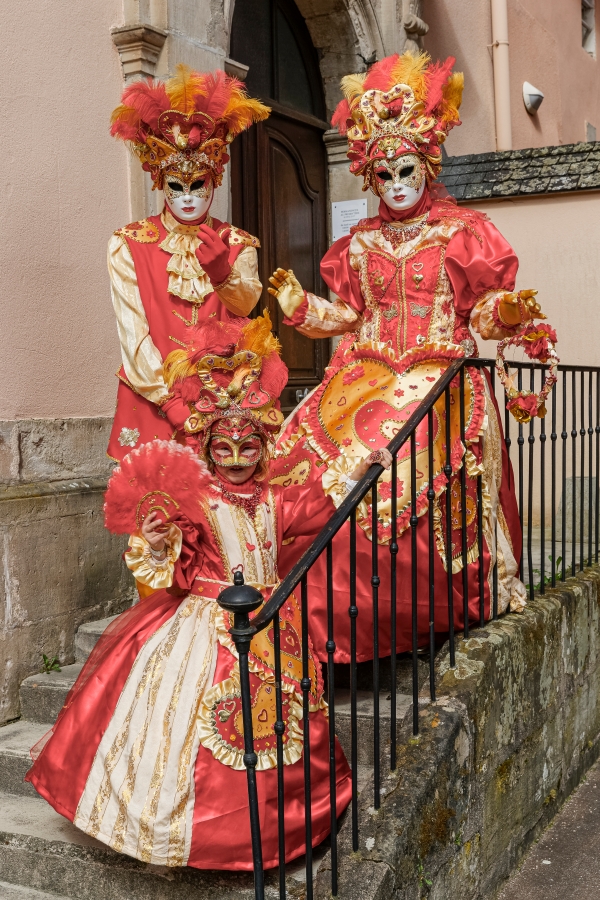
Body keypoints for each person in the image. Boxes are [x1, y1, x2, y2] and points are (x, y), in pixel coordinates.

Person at [26, 314, 390, 869]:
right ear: (208, 448)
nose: (237, 460)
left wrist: (361, 467)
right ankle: (202, 832)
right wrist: (156, 541)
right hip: (205, 627)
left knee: (278, 724)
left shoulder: (276, 500)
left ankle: (276, 826)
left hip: (272, 628)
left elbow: (321, 503)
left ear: (263, 447)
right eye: (225, 448)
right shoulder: (195, 503)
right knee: (199, 729)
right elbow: (170, 566)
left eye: (248, 448)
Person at [268, 52, 543, 664]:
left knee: (391, 477)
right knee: (311, 467)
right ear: (370, 176)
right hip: (361, 377)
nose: (395, 184)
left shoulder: (461, 233)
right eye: (384, 174)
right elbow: (349, 316)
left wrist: (507, 312)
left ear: (426, 165)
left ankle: (393, 610)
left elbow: (481, 314)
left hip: (438, 378)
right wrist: (301, 306)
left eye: (406, 170)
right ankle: (291, 608)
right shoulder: (359, 243)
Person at [107, 65, 269, 461]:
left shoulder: (237, 242)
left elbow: (247, 305)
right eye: (176, 186)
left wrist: (222, 274)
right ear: (160, 182)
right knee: (158, 497)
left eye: (198, 184)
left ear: (214, 179)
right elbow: (133, 333)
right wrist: (170, 401)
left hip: (224, 402)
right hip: (152, 401)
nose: (188, 197)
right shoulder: (128, 244)